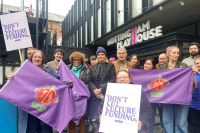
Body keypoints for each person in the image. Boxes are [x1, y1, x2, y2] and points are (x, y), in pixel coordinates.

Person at [8, 50, 72, 133]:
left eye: (39, 57)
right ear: (31, 58)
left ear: (42, 59)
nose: (37, 59)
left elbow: (58, 83)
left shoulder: (49, 70)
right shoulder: (24, 69)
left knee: (45, 129)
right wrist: (13, 78)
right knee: (30, 129)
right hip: (29, 107)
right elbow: (18, 85)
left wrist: (67, 83)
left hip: (45, 107)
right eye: (35, 57)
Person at [159, 46, 188, 133]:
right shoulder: (162, 67)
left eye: (178, 53)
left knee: (181, 122)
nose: (176, 55)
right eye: (174, 53)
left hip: (181, 97)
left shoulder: (184, 66)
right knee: (167, 121)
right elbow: (160, 83)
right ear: (168, 54)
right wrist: (159, 98)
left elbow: (187, 81)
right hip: (167, 97)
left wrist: (193, 73)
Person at [88, 46, 116, 133]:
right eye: (99, 55)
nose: (100, 56)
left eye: (102, 54)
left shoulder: (110, 65)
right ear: (96, 56)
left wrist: (100, 89)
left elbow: (112, 80)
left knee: (104, 115)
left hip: (105, 94)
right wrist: (95, 90)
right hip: (94, 94)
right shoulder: (93, 67)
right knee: (94, 116)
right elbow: (89, 80)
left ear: (105, 56)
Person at [67, 52, 90, 133]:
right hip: (70, 95)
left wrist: (87, 93)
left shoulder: (86, 68)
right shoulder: (68, 68)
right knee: (71, 116)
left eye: (78, 60)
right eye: (74, 60)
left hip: (81, 95)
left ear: (82, 60)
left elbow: (88, 82)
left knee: (82, 116)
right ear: (72, 60)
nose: (76, 61)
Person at [143, 58, 162, 133]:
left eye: (149, 64)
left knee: (150, 118)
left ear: (153, 66)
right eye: (145, 63)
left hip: (152, 100)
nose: (146, 65)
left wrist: (159, 100)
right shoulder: (138, 73)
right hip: (141, 100)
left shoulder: (156, 75)